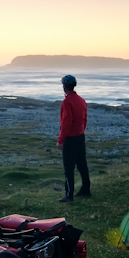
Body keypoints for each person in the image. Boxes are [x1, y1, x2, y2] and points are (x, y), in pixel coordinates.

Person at [57, 74, 90, 202]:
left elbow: (66, 122)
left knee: (69, 168)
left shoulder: (67, 102)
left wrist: (61, 140)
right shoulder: (81, 100)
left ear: (65, 87)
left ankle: (69, 195)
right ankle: (86, 189)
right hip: (80, 137)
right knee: (82, 165)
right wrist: (81, 131)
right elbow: (84, 119)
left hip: (70, 139)